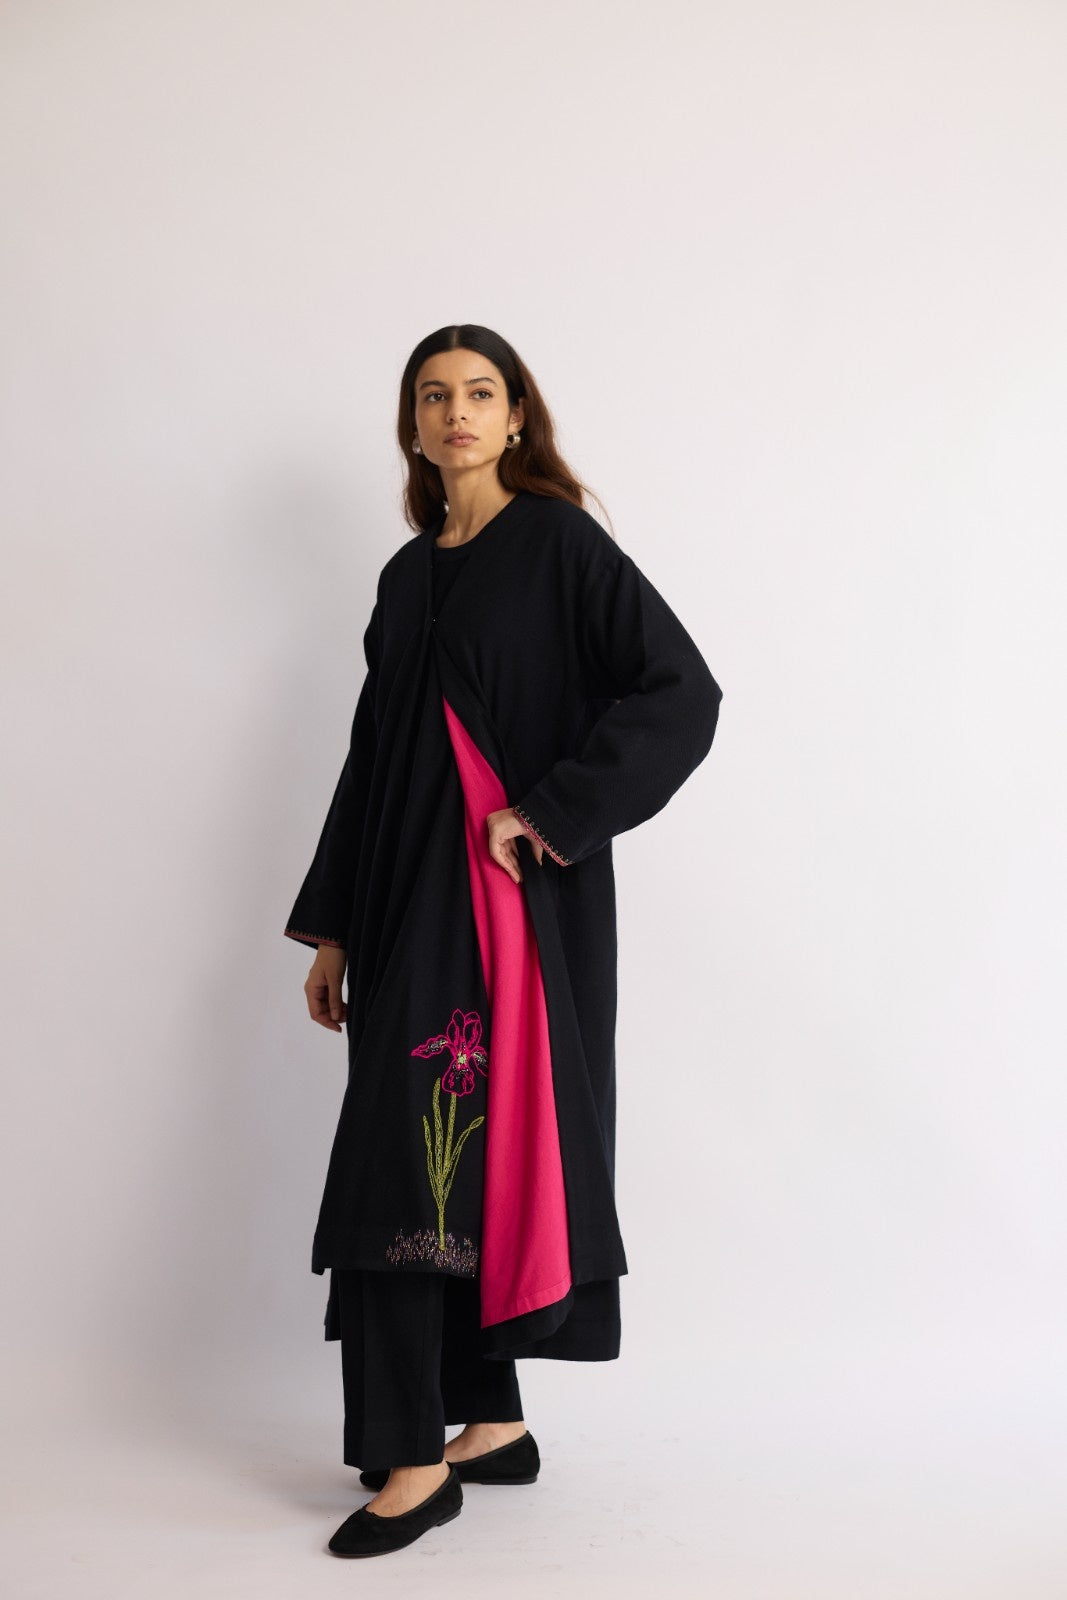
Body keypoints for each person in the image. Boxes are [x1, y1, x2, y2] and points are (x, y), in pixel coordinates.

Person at [283, 323, 724, 1558]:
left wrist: (549, 813)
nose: (457, 413)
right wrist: (331, 929)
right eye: (433, 396)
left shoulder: (559, 544)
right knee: (436, 1156)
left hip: (500, 916)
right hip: (398, 910)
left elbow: (680, 692)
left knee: (408, 1164)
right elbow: (373, 760)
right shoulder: (402, 578)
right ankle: (489, 1419)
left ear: (517, 415)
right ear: (413, 426)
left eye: (480, 392)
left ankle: (412, 1458)